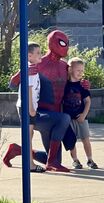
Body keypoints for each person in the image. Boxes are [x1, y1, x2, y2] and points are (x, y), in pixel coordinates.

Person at [3, 30, 84, 172]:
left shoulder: (64, 66)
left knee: (51, 157)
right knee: (63, 122)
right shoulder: (37, 63)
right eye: (62, 43)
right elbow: (12, 84)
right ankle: (51, 161)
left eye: (66, 43)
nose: (65, 46)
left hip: (54, 117)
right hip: (38, 113)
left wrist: (83, 86)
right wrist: (22, 73)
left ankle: (17, 150)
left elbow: (73, 83)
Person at [3, 42, 45, 173]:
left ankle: (16, 152)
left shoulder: (31, 68)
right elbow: (29, 89)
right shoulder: (30, 70)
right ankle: (30, 165)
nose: (40, 55)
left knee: (29, 135)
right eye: (37, 53)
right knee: (28, 135)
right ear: (29, 55)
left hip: (27, 106)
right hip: (27, 107)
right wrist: (31, 109)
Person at [63, 57, 98, 169]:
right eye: (78, 70)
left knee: (85, 139)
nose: (80, 73)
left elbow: (87, 101)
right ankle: (75, 160)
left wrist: (83, 115)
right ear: (69, 69)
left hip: (81, 117)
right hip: (68, 118)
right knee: (71, 140)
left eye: (82, 70)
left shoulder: (82, 86)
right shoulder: (64, 85)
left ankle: (90, 159)